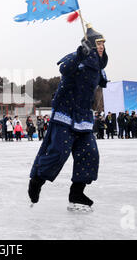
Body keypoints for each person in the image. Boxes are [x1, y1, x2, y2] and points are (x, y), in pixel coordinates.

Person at [28, 23, 108, 212]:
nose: (101, 46)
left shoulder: (98, 68)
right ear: (89, 44)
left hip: (83, 117)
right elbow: (64, 69)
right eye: (98, 43)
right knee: (59, 152)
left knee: (90, 153)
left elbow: (99, 85)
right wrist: (81, 53)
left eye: (103, 43)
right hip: (65, 113)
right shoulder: (76, 58)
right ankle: (37, 180)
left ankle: (77, 193)